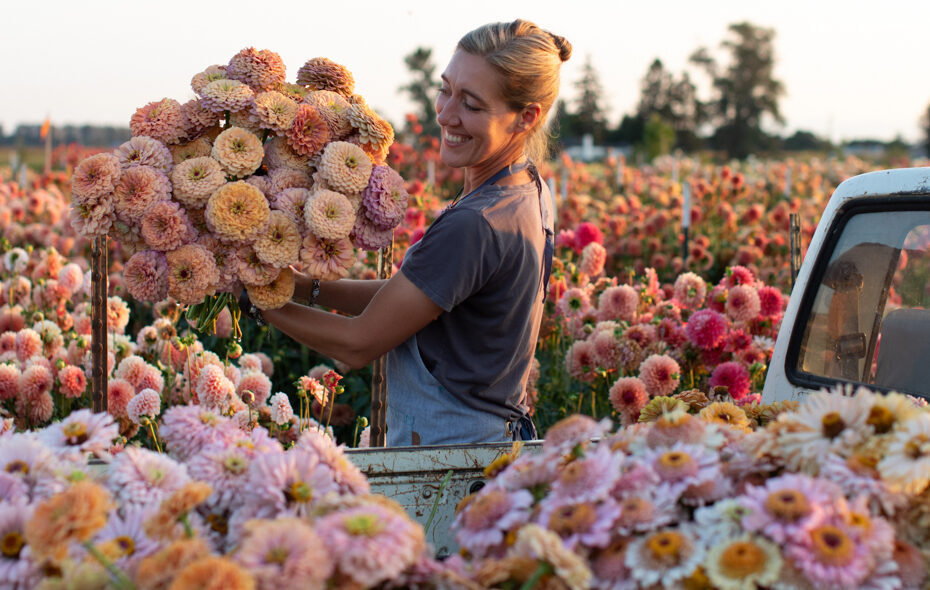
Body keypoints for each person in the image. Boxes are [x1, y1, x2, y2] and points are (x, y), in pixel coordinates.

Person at [242, 19, 572, 446]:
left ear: (526, 117)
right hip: (489, 442)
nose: (446, 114)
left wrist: (254, 300)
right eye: (445, 89)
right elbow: (415, 293)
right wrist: (298, 287)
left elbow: (357, 344)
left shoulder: (476, 224)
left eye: (471, 104)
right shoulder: (526, 189)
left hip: (450, 458)